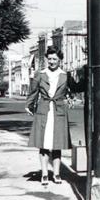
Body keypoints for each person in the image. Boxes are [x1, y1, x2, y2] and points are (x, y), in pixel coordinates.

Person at [25, 47, 81, 187]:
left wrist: (85, 75)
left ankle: (56, 173)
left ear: (59, 60)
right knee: (43, 145)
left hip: (59, 111)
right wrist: (29, 105)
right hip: (43, 110)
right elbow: (33, 91)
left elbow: (75, 88)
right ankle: (44, 174)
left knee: (57, 145)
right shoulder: (40, 74)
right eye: (49, 59)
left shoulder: (65, 75)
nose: (51, 61)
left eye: (54, 59)